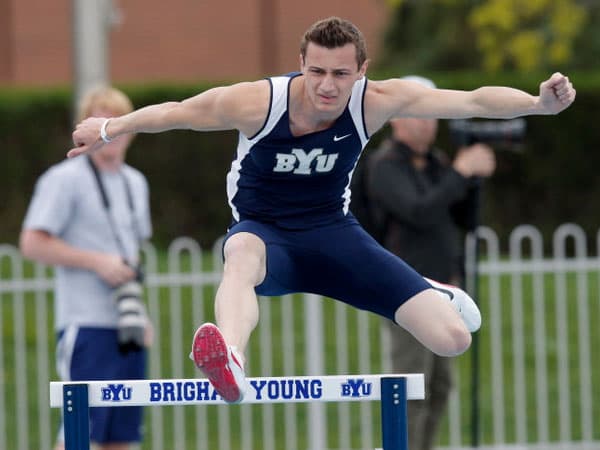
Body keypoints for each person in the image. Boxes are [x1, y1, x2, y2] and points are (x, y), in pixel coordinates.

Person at [66, 17, 575, 404]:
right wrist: (109, 128)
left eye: (340, 74)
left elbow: (471, 101)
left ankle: (436, 291)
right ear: (300, 63)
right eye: (316, 72)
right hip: (268, 239)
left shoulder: (375, 101)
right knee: (238, 252)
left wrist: (537, 104)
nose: (328, 87)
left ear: (362, 71)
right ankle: (233, 362)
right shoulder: (257, 103)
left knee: (454, 339)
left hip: (335, 237)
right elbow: (176, 113)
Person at [362, 75, 496, 450]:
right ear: (397, 118)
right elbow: (417, 211)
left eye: (431, 114)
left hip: (445, 290)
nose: (427, 122)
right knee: (411, 383)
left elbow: (463, 219)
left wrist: (472, 181)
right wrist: (460, 174)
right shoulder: (385, 165)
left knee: (440, 385)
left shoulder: (437, 163)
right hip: (406, 291)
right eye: (418, 113)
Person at [20, 86, 153, 450]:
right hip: (86, 324)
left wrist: (140, 314)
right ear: (83, 131)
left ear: (130, 129)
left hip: (126, 325)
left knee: (122, 438)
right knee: (81, 435)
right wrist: (97, 263)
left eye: (115, 121)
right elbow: (32, 242)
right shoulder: (63, 179)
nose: (109, 131)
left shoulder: (135, 182)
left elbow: (131, 255)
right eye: (100, 121)